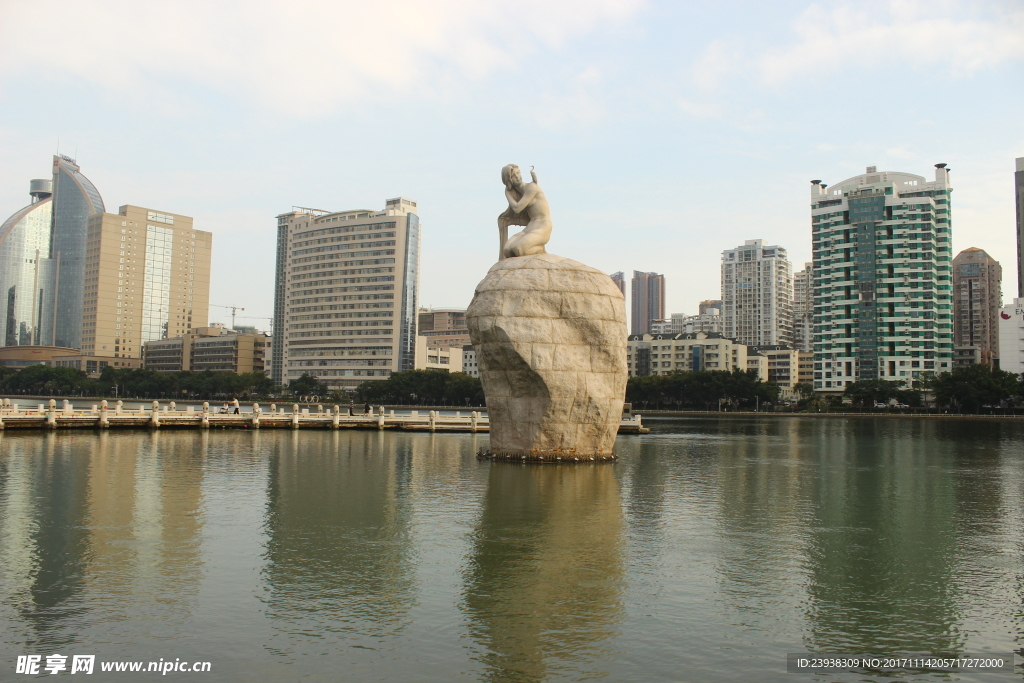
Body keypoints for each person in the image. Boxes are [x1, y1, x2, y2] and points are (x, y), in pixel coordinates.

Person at [497, 164, 552, 260]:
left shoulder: (531, 187)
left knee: (518, 249)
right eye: (514, 175)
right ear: (508, 179)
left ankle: (540, 249)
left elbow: (517, 208)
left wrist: (508, 193)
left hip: (543, 227)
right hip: (530, 227)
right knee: (507, 250)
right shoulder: (518, 193)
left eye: (518, 173)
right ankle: (530, 247)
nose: (518, 177)